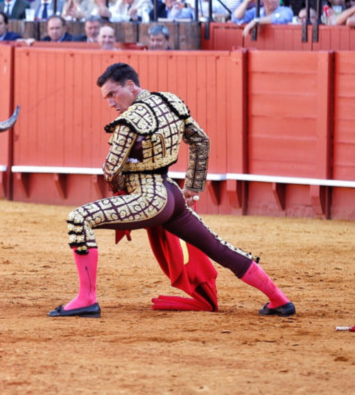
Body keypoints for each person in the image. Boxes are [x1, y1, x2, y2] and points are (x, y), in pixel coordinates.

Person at [49, 63, 295, 319]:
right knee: (218, 248)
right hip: (173, 196)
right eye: (106, 97)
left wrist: (123, 191)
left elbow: (110, 169)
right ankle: (279, 300)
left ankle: (86, 300)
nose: (110, 102)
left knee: (79, 219)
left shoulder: (128, 120)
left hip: (149, 199)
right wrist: (192, 186)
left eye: (113, 94)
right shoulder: (171, 102)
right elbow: (201, 141)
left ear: (131, 86)